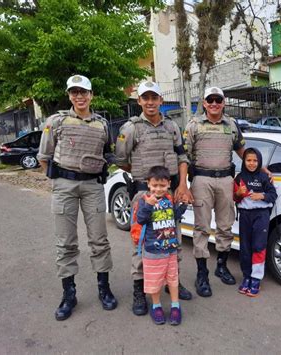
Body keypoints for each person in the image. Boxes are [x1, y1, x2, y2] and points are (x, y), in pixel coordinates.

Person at [37, 74, 117, 321]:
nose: (79, 97)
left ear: (91, 95)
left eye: (84, 92)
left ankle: (103, 288)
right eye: (75, 92)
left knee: (99, 240)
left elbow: (107, 155)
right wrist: (60, 181)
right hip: (65, 186)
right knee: (66, 242)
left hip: (93, 186)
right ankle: (68, 294)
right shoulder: (57, 121)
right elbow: (44, 157)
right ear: (69, 95)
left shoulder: (102, 125)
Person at [115, 81, 193, 316]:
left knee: (172, 239)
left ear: (161, 100)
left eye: (154, 97)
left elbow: (182, 156)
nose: (150, 102)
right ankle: (140, 291)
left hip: (169, 192)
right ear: (139, 101)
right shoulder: (130, 129)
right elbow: (121, 160)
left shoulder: (172, 127)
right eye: (145, 98)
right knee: (142, 244)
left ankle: (172, 283)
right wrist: (144, 179)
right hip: (143, 194)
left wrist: (181, 185)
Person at [184, 87, 245, 297]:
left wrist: (260, 167)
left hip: (226, 180)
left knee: (226, 225)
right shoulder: (194, 125)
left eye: (218, 100)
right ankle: (202, 274)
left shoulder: (232, 125)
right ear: (204, 103)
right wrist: (184, 184)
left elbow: (241, 149)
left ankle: (221, 265)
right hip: (202, 179)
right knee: (201, 227)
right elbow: (184, 155)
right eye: (210, 100)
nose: (214, 103)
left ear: (224, 103)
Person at [134, 166, 188, 325]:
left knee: (173, 279)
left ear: (169, 184)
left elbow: (175, 216)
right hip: (153, 251)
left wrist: (182, 206)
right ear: (148, 184)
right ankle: (156, 305)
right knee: (154, 281)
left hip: (170, 250)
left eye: (162, 186)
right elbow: (141, 219)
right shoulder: (144, 201)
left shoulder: (168, 200)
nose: (158, 189)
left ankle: (175, 306)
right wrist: (149, 205)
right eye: (155, 185)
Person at [234, 148, 277, 296]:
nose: (252, 163)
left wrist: (262, 196)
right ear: (244, 161)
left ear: (259, 162)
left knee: (258, 246)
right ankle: (246, 276)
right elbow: (235, 198)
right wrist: (238, 194)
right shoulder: (239, 177)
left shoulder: (265, 177)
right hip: (245, 215)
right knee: (245, 248)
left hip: (261, 215)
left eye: (255, 160)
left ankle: (256, 278)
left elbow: (273, 195)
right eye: (248, 160)